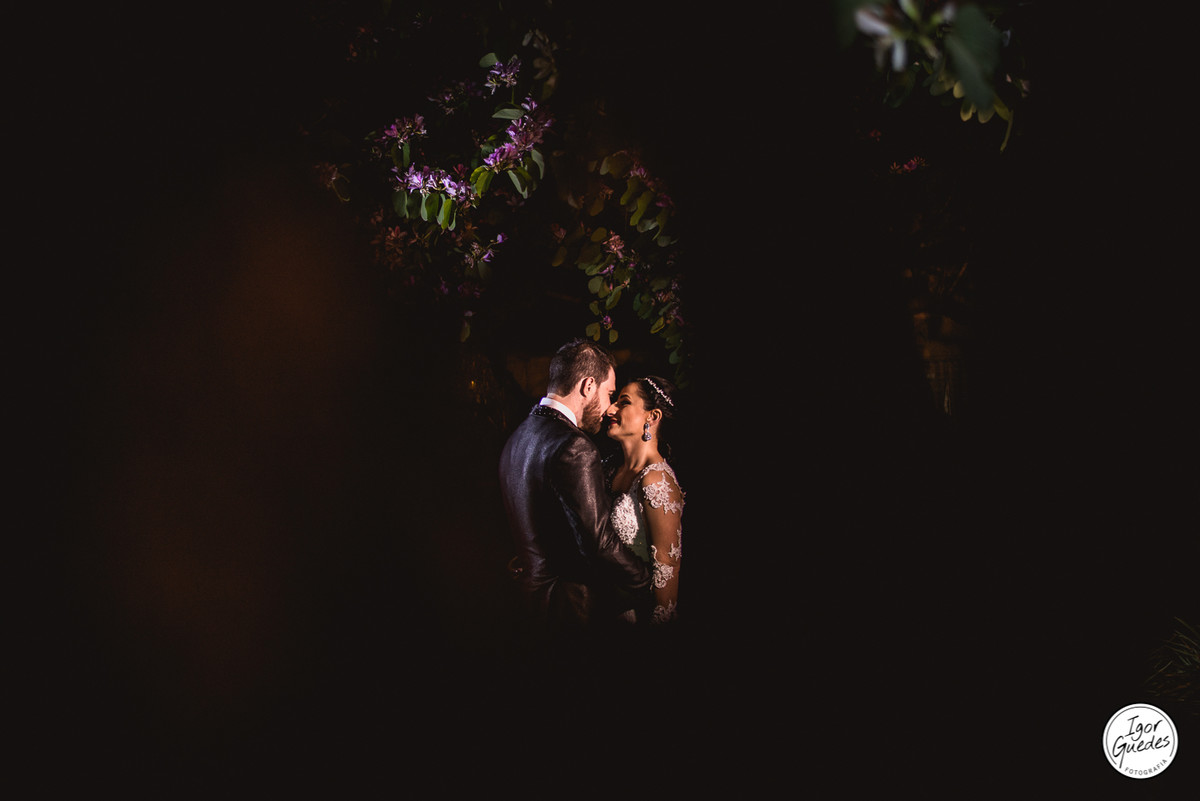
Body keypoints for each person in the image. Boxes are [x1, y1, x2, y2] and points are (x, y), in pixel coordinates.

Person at [498, 339, 652, 640]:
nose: (609, 409)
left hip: (525, 607)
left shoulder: (517, 438)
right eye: (609, 394)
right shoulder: (576, 447)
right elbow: (600, 542)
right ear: (587, 385)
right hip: (569, 614)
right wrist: (645, 580)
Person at [603, 375, 684, 625]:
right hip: (596, 610)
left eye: (623, 402)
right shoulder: (608, 469)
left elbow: (667, 565)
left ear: (653, 417)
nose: (609, 410)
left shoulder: (656, 480)